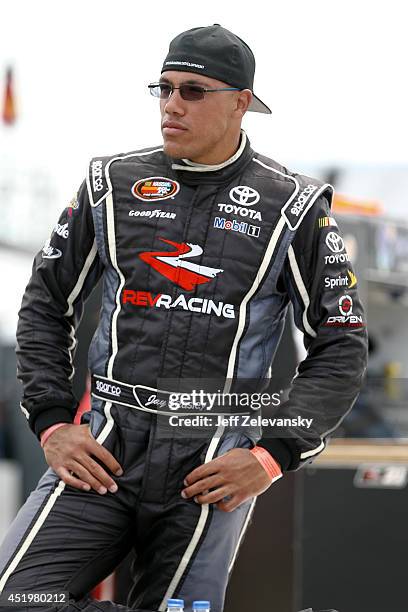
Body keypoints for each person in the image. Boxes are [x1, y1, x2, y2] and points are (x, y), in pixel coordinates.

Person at [0, 24, 367, 612]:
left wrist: (272, 455)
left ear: (240, 103)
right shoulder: (110, 184)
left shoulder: (293, 206)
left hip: (211, 463)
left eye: (193, 91)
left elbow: (342, 345)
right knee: (19, 598)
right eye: (164, 88)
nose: (172, 104)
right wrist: (51, 422)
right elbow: (45, 303)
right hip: (105, 449)